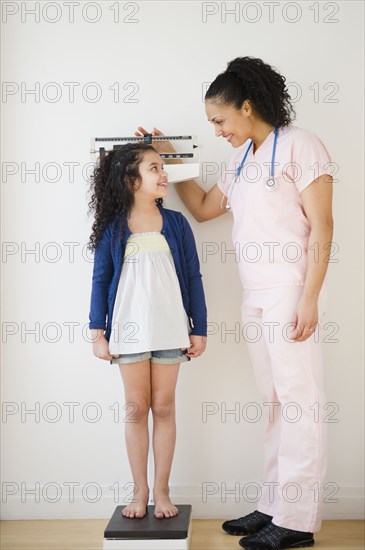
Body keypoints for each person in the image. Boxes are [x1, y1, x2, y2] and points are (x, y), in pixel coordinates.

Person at [137, 56, 334, 549]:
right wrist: (172, 157)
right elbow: (204, 209)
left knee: (299, 403)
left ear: (247, 107)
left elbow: (324, 227)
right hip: (256, 296)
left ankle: (298, 520)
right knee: (275, 402)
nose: (218, 130)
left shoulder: (300, 145)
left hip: (291, 291)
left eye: (220, 121)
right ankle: (273, 505)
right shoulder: (242, 158)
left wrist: (310, 298)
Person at [87, 142, 207, 519]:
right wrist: (97, 331)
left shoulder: (176, 223)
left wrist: (198, 327)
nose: (163, 175)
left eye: (162, 167)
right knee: (137, 409)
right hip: (128, 331)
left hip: (171, 329)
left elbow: (193, 276)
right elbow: (100, 278)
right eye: (154, 168)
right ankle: (139, 492)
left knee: (164, 406)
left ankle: (162, 491)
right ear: (131, 181)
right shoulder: (114, 228)